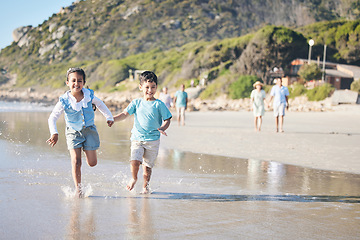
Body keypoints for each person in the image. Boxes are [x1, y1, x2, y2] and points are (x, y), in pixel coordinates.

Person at [46, 67, 114, 197]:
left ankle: (86, 149)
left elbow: (100, 104)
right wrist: (54, 133)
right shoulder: (64, 100)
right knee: (76, 161)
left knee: (92, 163)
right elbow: (52, 117)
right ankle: (78, 189)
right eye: (73, 81)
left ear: (83, 82)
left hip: (89, 131)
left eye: (79, 81)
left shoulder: (89, 95)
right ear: (67, 83)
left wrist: (109, 117)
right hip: (73, 133)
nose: (76, 83)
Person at [113, 71, 172, 194]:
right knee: (135, 161)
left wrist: (163, 128)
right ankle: (134, 178)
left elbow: (167, 119)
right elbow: (125, 114)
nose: (150, 90)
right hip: (137, 138)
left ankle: (145, 186)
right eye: (147, 87)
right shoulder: (136, 103)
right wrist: (113, 119)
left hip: (153, 140)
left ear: (156, 87)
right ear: (141, 87)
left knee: (147, 168)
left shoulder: (159, 104)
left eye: (153, 87)